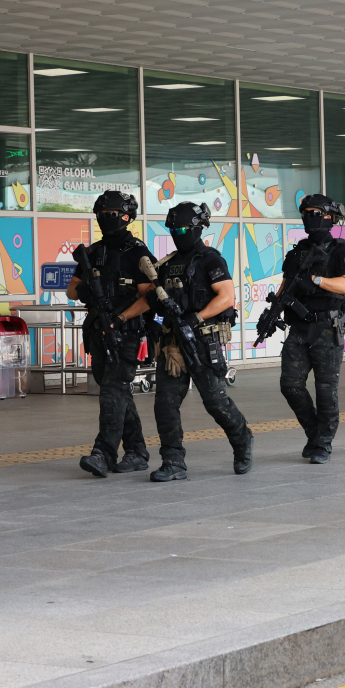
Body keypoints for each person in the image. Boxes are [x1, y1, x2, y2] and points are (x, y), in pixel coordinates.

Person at [149, 202, 253, 481]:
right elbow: (156, 302)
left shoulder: (211, 259)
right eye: (173, 229)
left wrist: (195, 319)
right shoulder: (167, 265)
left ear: (197, 229)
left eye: (182, 229)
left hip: (203, 341)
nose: (177, 233)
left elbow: (226, 297)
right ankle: (173, 462)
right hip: (173, 346)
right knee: (165, 404)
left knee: (215, 402)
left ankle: (243, 441)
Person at [68, 191, 155, 478]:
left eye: (112, 215)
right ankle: (137, 451)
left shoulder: (137, 252)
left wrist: (121, 317)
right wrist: (86, 290)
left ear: (127, 217)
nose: (106, 220)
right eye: (101, 215)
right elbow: (72, 289)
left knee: (111, 393)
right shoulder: (93, 252)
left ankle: (103, 453)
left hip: (126, 335)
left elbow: (150, 297)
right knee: (117, 392)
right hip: (98, 334)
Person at [278, 194, 345, 464]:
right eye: (306, 212)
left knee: (325, 389)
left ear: (330, 218)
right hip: (299, 328)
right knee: (289, 384)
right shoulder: (296, 251)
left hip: (327, 325)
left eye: (316, 212)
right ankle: (315, 433)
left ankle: (323, 442)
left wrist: (317, 279)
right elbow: (285, 285)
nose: (310, 216)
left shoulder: (340, 250)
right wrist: (276, 306)